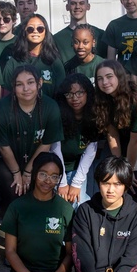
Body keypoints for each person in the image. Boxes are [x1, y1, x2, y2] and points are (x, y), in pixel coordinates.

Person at [0, 152, 74, 272]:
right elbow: (10, 251)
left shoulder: (65, 209)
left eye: (54, 176)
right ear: (35, 173)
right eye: (43, 174)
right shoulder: (18, 207)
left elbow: (69, 254)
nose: (48, 180)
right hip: (25, 270)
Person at [0, 65, 64, 214]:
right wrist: (16, 172)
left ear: (39, 83)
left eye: (30, 82)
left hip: (37, 160)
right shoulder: (3, 107)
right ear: (13, 86)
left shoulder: (51, 107)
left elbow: (46, 144)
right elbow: (3, 146)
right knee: (14, 188)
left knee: (38, 186)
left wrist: (27, 172)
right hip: (9, 162)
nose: (26, 88)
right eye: (19, 84)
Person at [93, 59, 137, 169]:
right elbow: (112, 134)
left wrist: (128, 169)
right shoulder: (103, 96)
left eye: (109, 76)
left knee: (132, 176)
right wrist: (118, 163)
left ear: (119, 76)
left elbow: (135, 140)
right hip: (123, 139)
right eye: (100, 79)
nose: (105, 82)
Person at [54, 73, 100, 205]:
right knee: (60, 202)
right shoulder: (58, 115)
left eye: (79, 93)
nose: (75, 98)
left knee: (77, 201)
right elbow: (54, 148)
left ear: (88, 94)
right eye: (69, 94)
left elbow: (90, 152)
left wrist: (76, 183)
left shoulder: (94, 116)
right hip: (55, 167)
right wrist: (62, 182)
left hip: (78, 168)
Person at [2, 12, 66, 98]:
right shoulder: (14, 62)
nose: (35, 31)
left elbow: (61, 94)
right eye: (30, 29)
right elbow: (6, 94)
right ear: (24, 32)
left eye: (40, 29)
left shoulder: (54, 62)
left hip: (48, 110)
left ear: (46, 32)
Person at [54, 0, 106, 64]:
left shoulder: (101, 35)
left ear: (88, 6)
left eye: (81, 3)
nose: (77, 7)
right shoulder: (57, 39)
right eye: (73, 3)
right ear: (67, 7)